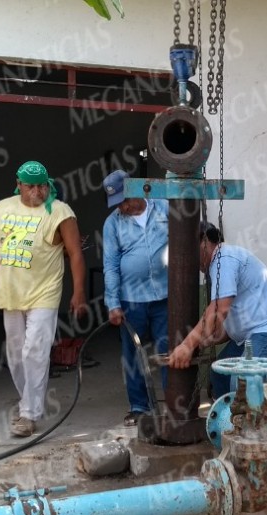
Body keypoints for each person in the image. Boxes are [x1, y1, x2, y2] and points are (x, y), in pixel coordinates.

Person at [0, 160, 87, 437]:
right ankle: (28, 399)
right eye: (31, 186)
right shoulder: (3, 207)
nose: (37, 192)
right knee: (16, 355)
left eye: (42, 186)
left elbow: (76, 253)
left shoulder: (60, 212)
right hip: (11, 292)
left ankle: (29, 413)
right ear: (18, 184)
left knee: (34, 352)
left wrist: (78, 292)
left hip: (45, 292)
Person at [167, 222, 267, 398]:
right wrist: (203, 341)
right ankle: (228, 421)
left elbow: (219, 310)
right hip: (256, 331)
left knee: (243, 381)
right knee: (220, 374)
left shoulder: (224, 259)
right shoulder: (221, 263)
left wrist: (187, 345)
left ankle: (249, 422)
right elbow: (229, 318)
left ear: (205, 242)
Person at [102, 170, 169, 426]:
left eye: (125, 199)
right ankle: (140, 408)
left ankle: (173, 405)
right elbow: (110, 265)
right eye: (118, 203)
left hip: (165, 295)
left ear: (137, 188)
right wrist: (113, 304)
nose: (123, 206)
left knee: (168, 351)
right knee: (133, 355)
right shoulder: (113, 223)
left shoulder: (164, 207)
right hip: (132, 299)